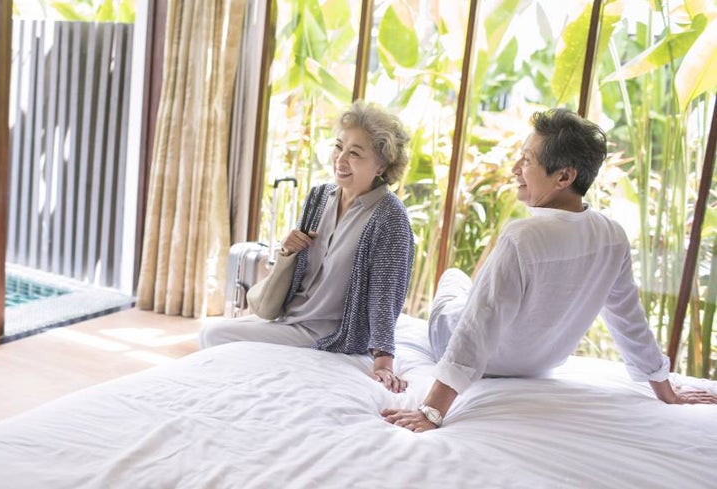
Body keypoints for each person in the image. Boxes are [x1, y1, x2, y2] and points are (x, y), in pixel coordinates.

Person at [382, 107, 717, 432]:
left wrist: (431, 412)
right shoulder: (612, 236)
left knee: (453, 277)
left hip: (462, 345)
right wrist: (665, 388)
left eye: (526, 159)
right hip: (539, 365)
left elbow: (477, 325)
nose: (515, 168)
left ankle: (460, 283)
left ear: (564, 176)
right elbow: (629, 321)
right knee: (474, 289)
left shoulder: (522, 238)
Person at [200, 101, 415, 393]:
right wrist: (287, 250)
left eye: (355, 153)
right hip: (291, 318)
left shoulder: (390, 217)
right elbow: (298, 276)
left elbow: (384, 295)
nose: (341, 159)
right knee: (213, 333)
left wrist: (383, 362)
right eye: (339, 147)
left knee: (216, 336)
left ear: (381, 165)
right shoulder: (319, 197)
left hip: (329, 333)